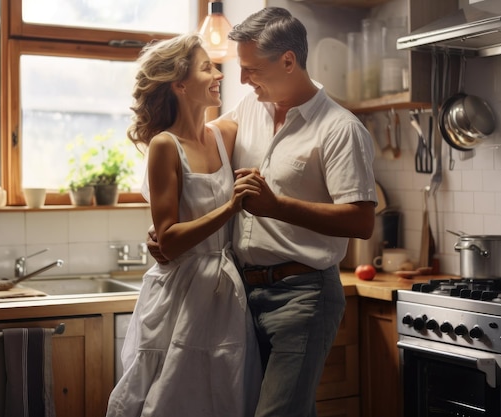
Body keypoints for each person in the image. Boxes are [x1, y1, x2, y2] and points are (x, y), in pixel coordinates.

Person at [148, 7, 377, 417]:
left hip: (303, 296)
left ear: (288, 61)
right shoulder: (248, 111)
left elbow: (360, 220)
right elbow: (193, 157)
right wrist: (167, 231)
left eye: (251, 69)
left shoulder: (340, 128)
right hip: (239, 295)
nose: (241, 79)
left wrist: (278, 207)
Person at [105, 34, 263, 417]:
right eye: (207, 67)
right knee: (173, 399)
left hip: (225, 292)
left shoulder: (225, 135)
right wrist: (231, 207)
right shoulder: (165, 146)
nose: (219, 75)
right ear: (179, 83)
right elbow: (171, 242)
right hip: (181, 294)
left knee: (224, 397)